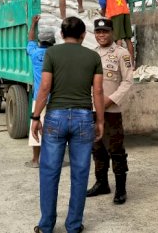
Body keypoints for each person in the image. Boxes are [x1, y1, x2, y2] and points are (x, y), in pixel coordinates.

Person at [31, 17, 105, 233]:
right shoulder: (93, 56)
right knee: (80, 172)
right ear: (83, 35)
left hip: (55, 117)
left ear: (62, 35)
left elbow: (45, 88)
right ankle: (73, 225)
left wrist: (36, 118)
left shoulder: (52, 53)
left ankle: (46, 226)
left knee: (49, 171)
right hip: (83, 118)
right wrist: (99, 120)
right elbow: (98, 92)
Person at [86, 18, 133, 204]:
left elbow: (128, 81)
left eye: (104, 31)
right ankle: (102, 183)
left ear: (112, 32)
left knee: (116, 149)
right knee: (97, 147)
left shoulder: (122, 54)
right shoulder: (92, 54)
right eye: (98, 32)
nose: (101, 35)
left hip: (112, 111)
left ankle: (121, 189)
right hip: (93, 109)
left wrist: (110, 100)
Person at [26, 15, 55, 168]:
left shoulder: (35, 53)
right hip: (55, 98)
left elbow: (30, 41)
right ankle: (53, 159)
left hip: (39, 97)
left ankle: (36, 160)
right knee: (54, 129)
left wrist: (33, 24)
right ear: (53, 41)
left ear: (40, 41)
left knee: (36, 126)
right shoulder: (57, 54)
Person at [94, 0, 135, 68]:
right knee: (128, 38)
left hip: (114, 12)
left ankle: (120, 66)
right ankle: (132, 65)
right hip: (124, 10)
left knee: (118, 39)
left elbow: (103, 2)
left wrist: (103, 12)